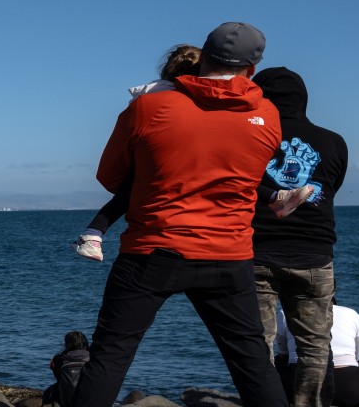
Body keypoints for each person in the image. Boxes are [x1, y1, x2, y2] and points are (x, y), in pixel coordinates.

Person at [12, 23, 312, 407]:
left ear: (204, 55)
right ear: (252, 67)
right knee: (254, 367)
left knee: (110, 358)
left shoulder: (150, 106)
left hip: (153, 249)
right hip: (229, 255)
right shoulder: (266, 114)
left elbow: (111, 175)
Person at [72, 46, 312, 262]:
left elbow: (109, 173)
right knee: (229, 175)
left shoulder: (154, 97)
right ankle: (93, 233)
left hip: (159, 199)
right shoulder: (174, 98)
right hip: (213, 241)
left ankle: (93, 233)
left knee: (128, 193)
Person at [250, 66, 348, 407]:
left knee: (256, 342)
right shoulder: (333, 141)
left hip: (255, 251)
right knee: (314, 343)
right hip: (314, 253)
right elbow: (331, 186)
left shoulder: (251, 138)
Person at [275, 304, 359, 407]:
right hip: (352, 389)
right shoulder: (351, 313)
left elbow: (283, 352)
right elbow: (356, 356)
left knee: (279, 360)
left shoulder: (286, 313)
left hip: (301, 384)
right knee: (358, 362)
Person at [42, 330, 90, 407]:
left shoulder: (58, 359)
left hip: (67, 400)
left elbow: (57, 376)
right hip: (89, 399)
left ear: (67, 344)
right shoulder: (94, 358)